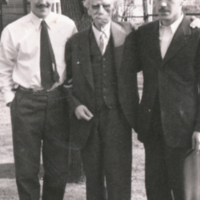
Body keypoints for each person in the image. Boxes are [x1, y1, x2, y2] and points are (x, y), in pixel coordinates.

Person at [123, 0, 200, 199]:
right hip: (152, 127)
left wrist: (199, 127)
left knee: (185, 191)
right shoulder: (144, 33)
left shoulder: (196, 34)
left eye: (170, 0)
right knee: (156, 191)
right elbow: (127, 67)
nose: (163, 4)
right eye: (158, 0)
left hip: (185, 128)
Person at [0, 0, 77, 199]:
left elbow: (75, 63)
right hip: (26, 102)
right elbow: (4, 67)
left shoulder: (68, 26)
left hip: (58, 101)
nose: (43, 2)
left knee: (58, 168)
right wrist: (11, 99)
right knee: (26, 169)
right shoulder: (13, 30)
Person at [65, 0, 139, 199]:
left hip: (119, 119)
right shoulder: (75, 41)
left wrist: (191, 21)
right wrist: (76, 105)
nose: (101, 11)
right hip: (88, 120)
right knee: (93, 179)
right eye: (95, 6)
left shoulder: (130, 34)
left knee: (120, 178)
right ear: (87, 9)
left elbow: (159, 33)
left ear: (113, 8)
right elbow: (67, 82)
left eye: (106, 6)